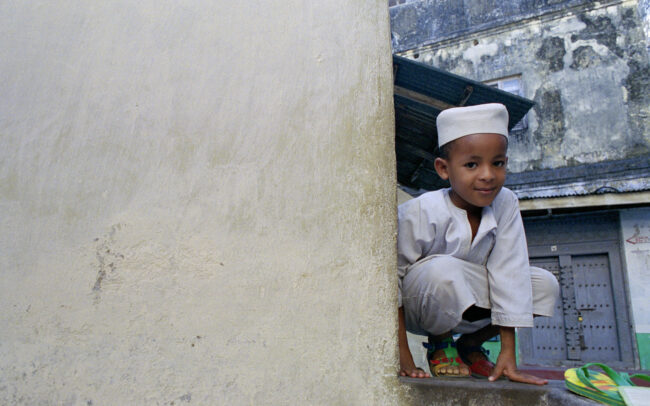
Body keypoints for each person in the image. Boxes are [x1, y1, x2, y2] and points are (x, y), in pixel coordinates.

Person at [397, 103, 559, 385]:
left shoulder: (505, 201)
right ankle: (441, 342)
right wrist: (403, 355)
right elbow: (390, 282)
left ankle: (469, 345)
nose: (487, 175)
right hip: (420, 305)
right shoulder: (421, 210)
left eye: (497, 163)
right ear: (443, 169)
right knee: (444, 270)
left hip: (470, 303)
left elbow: (510, 270)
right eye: (472, 164)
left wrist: (509, 354)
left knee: (543, 284)